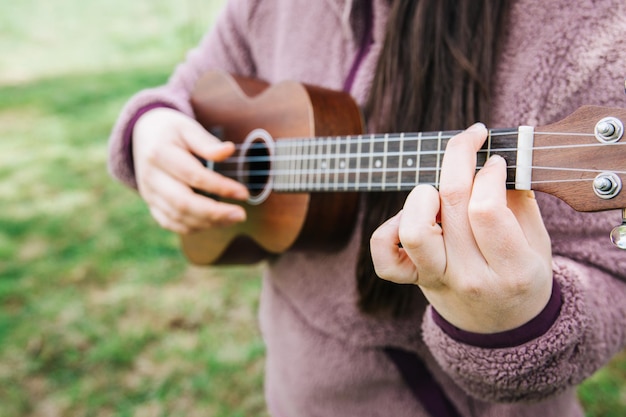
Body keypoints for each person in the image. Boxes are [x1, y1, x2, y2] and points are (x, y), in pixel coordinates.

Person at [108, 0, 626, 415]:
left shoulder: (594, 25)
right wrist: (151, 128)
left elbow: (611, 274)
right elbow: (192, 86)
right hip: (295, 384)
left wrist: (516, 320)